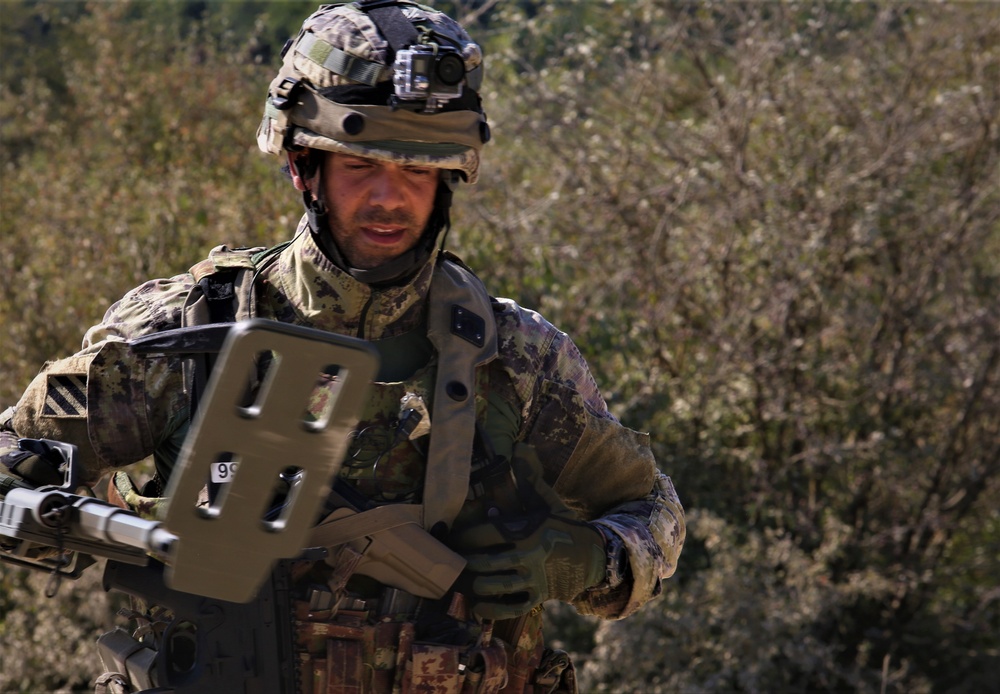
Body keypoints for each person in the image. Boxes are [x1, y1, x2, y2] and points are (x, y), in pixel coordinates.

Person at [0, 2, 684, 692]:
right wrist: (31, 492)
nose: (390, 198)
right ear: (304, 166)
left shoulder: (518, 361)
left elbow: (651, 512)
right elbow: (16, 455)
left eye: (418, 170)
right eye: (360, 164)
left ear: (449, 179)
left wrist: (584, 558)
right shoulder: (184, 334)